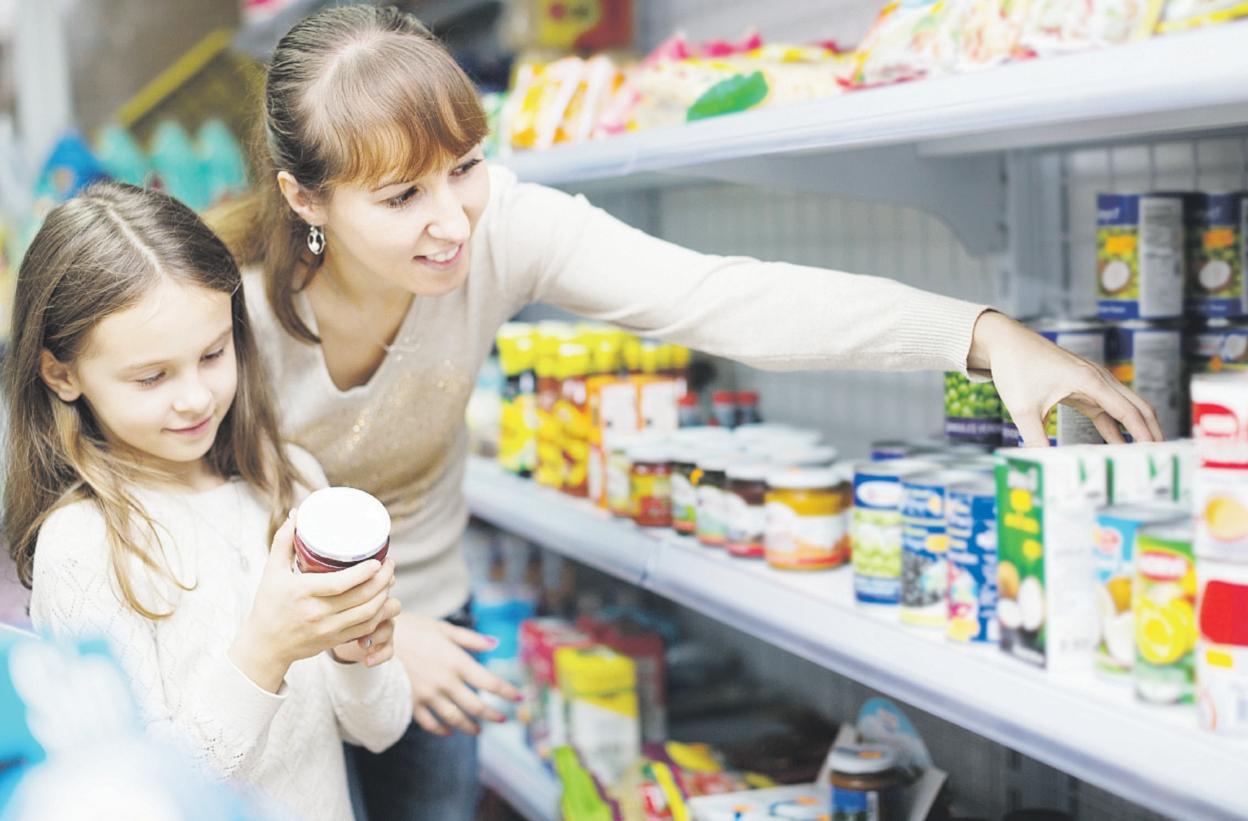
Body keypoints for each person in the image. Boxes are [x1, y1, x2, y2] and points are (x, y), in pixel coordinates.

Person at [209, 6, 1162, 819]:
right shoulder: (230, 309)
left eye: (465, 166)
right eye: (401, 195)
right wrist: (374, 631)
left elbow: (725, 297)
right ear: (306, 198)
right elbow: (208, 512)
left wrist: (986, 336)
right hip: (270, 629)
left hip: (435, 617)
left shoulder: (505, 229)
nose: (453, 220)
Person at [5, 181, 412, 821]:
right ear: (61, 374)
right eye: (152, 377)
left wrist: (356, 652)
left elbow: (381, 729)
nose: (196, 398)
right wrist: (265, 652)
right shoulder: (84, 545)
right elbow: (140, 797)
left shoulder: (291, 482)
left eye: (213, 354)